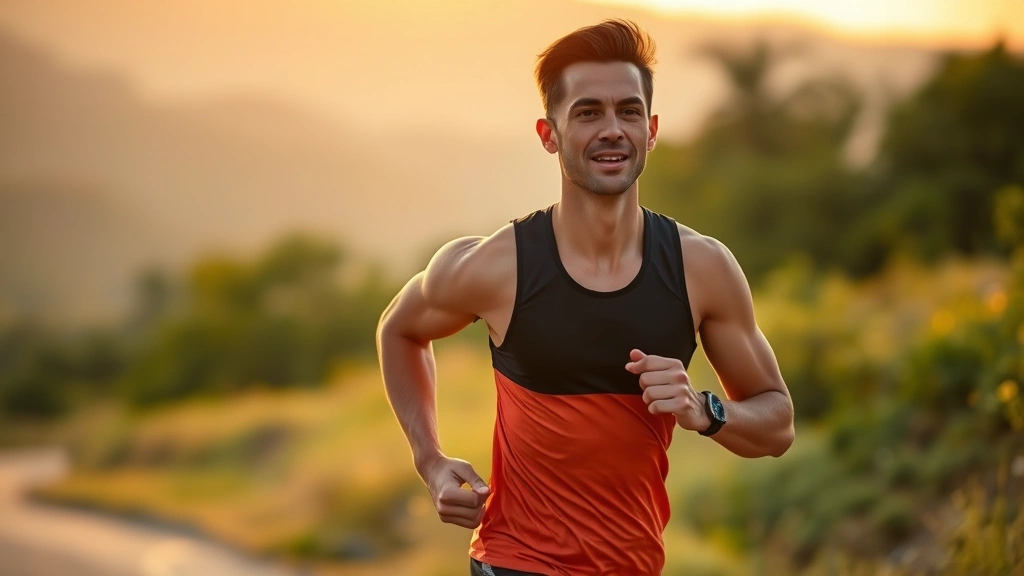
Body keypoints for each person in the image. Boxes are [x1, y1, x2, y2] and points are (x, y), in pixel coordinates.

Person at [376, 19, 794, 576]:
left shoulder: (702, 268)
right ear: (549, 134)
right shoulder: (496, 266)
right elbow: (399, 329)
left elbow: (777, 425)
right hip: (513, 562)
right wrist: (430, 461)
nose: (612, 129)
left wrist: (703, 409)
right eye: (588, 112)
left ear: (651, 130)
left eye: (628, 111)